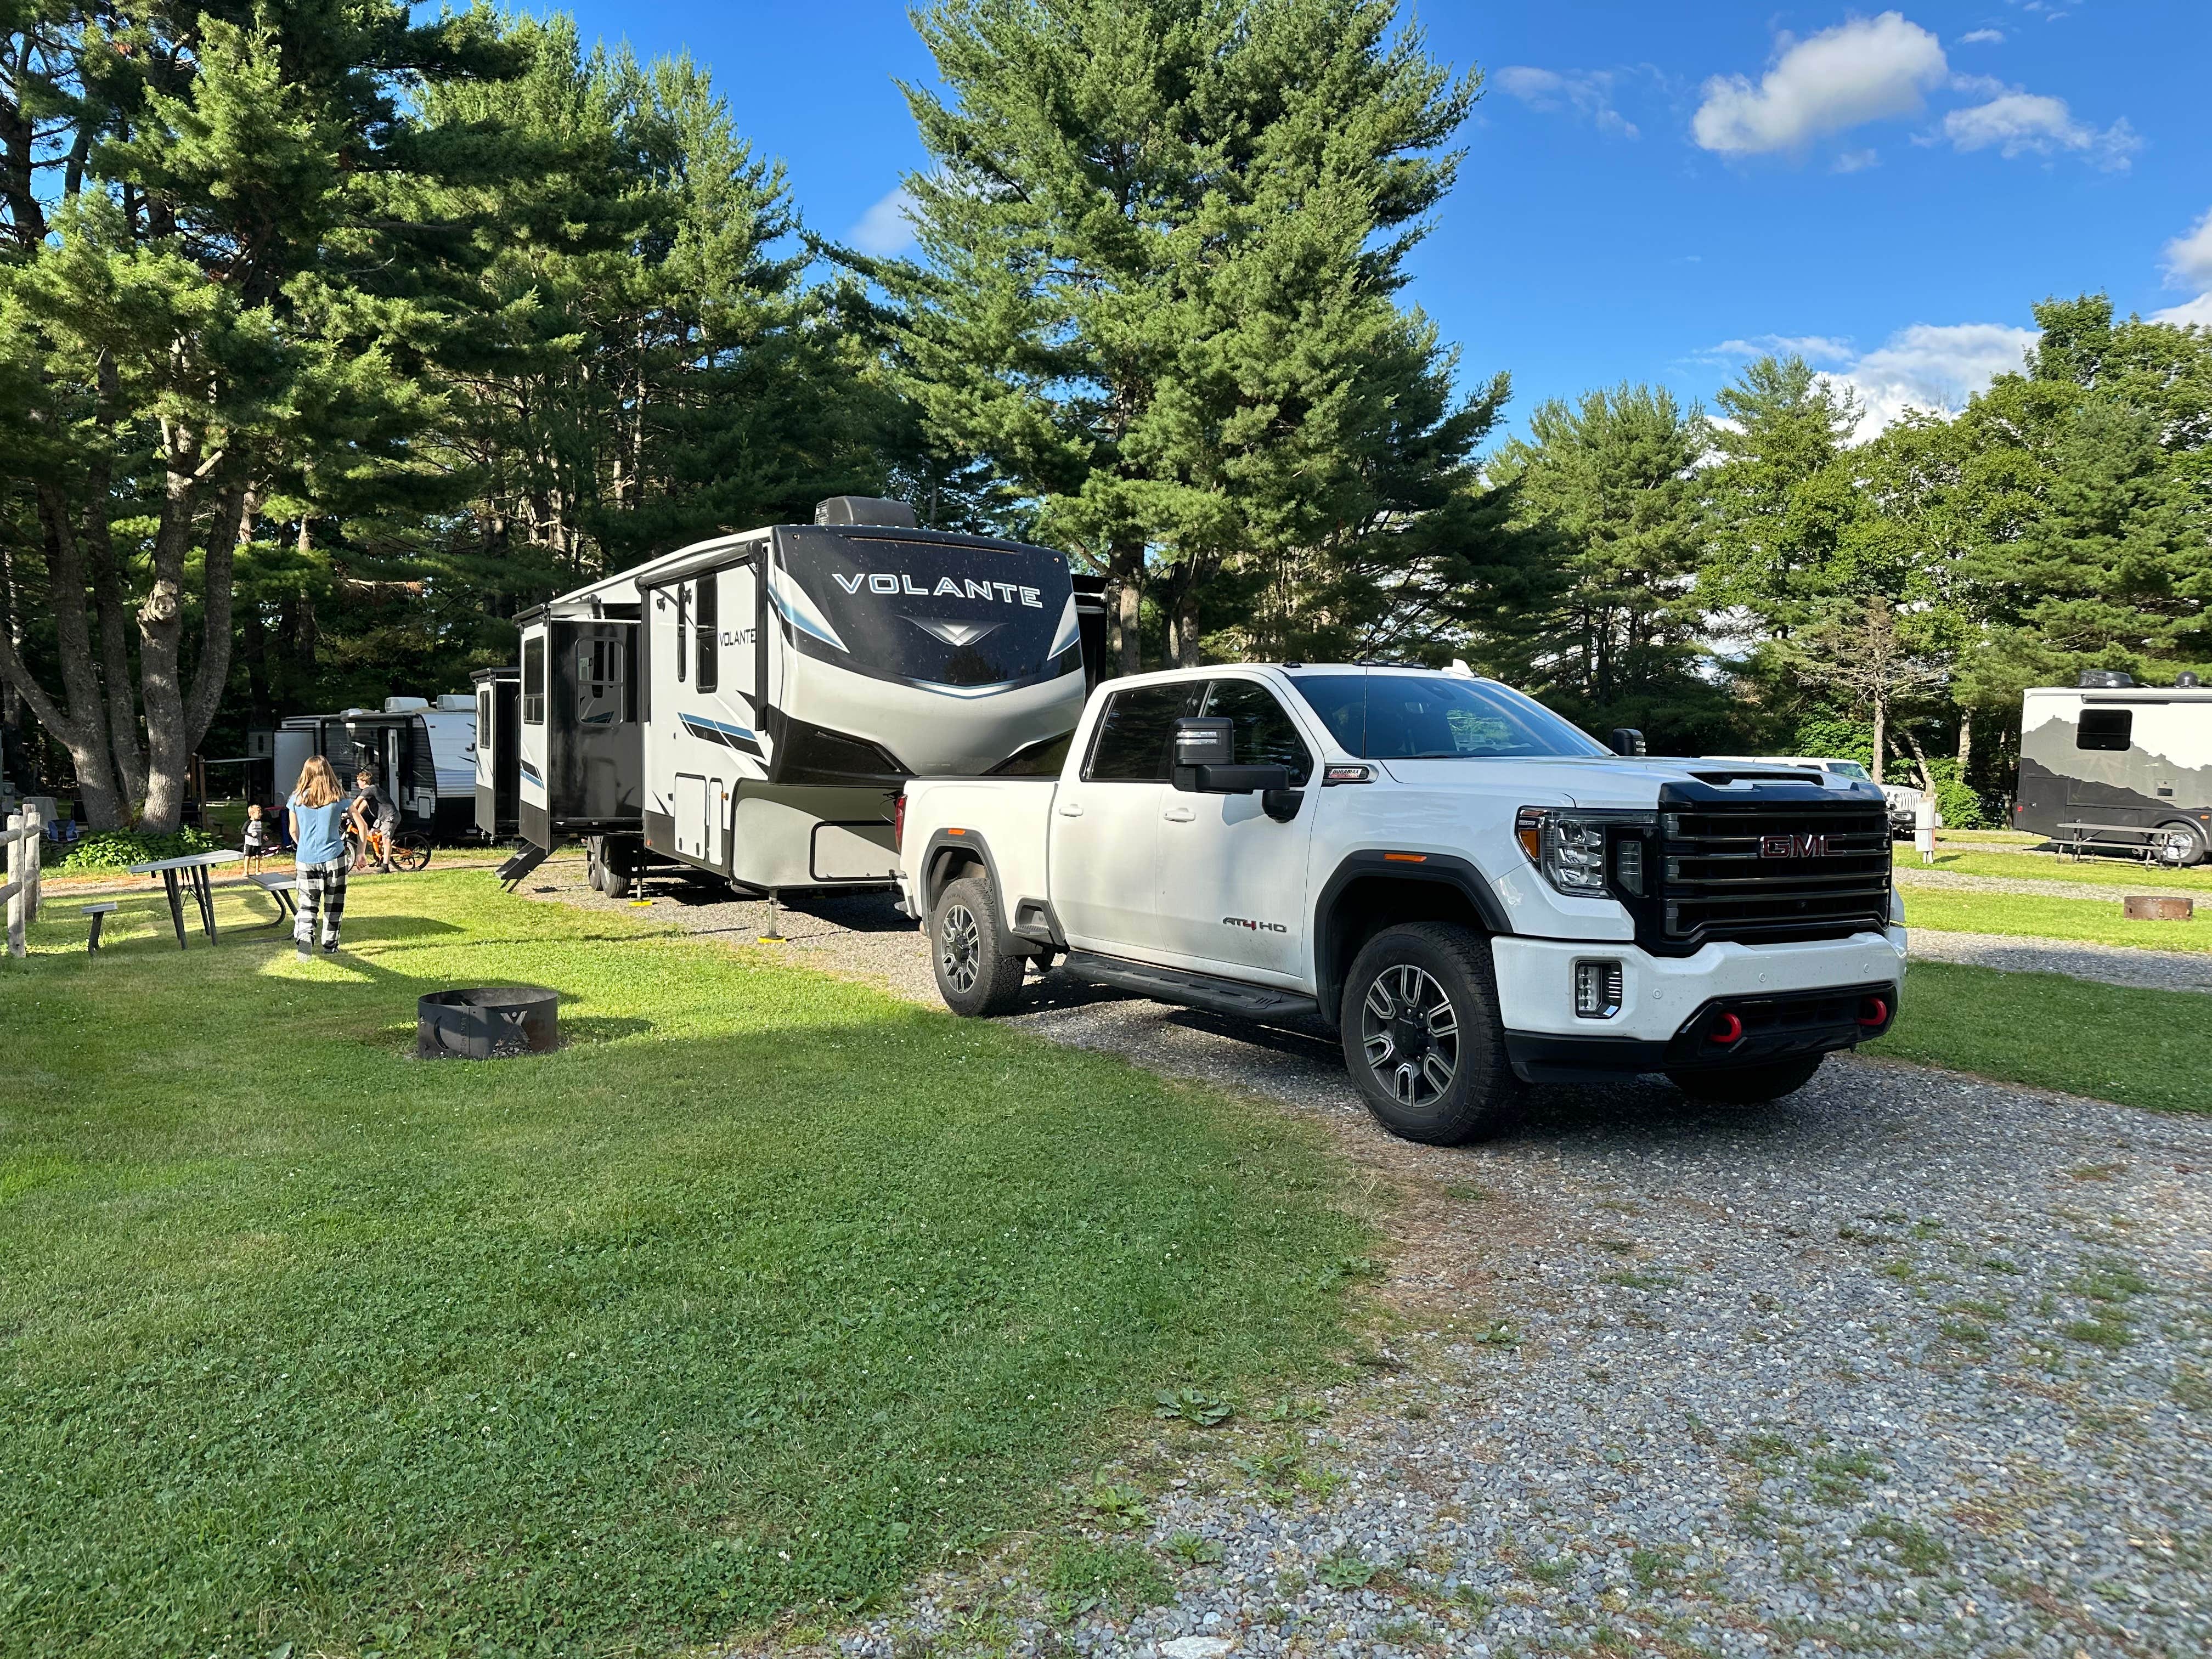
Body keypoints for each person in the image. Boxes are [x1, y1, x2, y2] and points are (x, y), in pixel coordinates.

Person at [287, 755, 351, 959]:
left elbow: (293, 831)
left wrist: (303, 846)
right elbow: (361, 823)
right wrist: (359, 853)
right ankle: (330, 946)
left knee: (307, 903)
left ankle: (305, 948)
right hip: (335, 857)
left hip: (305, 859)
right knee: (334, 903)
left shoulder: (296, 799)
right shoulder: (338, 797)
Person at [348, 767, 399, 873]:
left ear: (365, 781)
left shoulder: (371, 789)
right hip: (381, 818)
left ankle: (385, 867)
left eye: (358, 782)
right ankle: (379, 857)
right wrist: (352, 817)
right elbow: (362, 806)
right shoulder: (369, 793)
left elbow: (357, 802)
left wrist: (346, 811)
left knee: (386, 840)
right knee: (372, 835)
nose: (357, 785)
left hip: (390, 817)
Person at [241, 802, 270, 873]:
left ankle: (257, 870)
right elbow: (243, 831)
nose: (261, 814)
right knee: (248, 857)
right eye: (259, 813)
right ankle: (246, 871)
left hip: (258, 843)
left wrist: (264, 836)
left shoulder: (259, 823)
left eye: (261, 813)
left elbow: (260, 832)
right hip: (249, 843)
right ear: (252, 814)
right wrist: (251, 834)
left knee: (258, 857)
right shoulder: (248, 822)